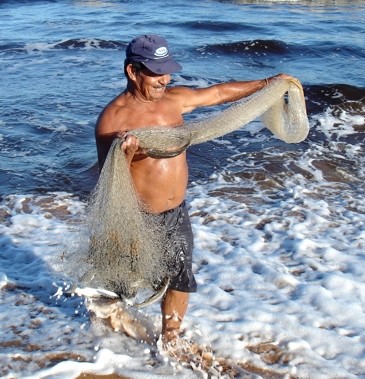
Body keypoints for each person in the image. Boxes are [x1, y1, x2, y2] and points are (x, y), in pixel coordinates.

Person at [95, 34, 290, 344]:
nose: (165, 80)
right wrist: (127, 153)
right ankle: (106, 341)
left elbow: (218, 94)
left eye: (167, 71)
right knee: (122, 282)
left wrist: (270, 82)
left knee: (180, 279)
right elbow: (108, 180)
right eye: (157, 73)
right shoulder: (111, 120)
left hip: (176, 213)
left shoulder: (173, 100)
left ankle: (170, 340)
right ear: (133, 72)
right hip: (135, 219)